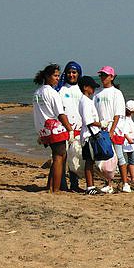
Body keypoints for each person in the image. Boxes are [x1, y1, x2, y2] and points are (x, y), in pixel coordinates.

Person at [33, 64, 74, 194]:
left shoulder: (37, 93)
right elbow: (60, 114)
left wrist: (39, 133)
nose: (57, 78)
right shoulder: (52, 93)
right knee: (59, 156)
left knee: (57, 156)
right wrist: (70, 130)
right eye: (55, 76)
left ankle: (50, 186)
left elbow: (37, 114)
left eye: (58, 76)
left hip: (44, 129)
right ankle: (55, 189)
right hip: (54, 129)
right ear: (47, 76)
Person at [94, 66, 130, 193]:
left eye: (105, 75)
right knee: (106, 156)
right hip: (101, 129)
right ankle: (108, 184)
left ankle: (125, 182)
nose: (103, 78)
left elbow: (118, 114)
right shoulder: (97, 93)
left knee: (119, 156)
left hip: (115, 129)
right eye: (101, 75)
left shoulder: (116, 93)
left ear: (112, 77)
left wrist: (112, 130)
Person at [57, 61, 83, 192]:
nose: (71, 75)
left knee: (75, 158)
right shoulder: (61, 89)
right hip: (64, 128)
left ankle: (75, 184)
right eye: (69, 72)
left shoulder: (82, 89)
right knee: (62, 157)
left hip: (79, 129)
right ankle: (61, 184)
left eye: (74, 72)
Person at [77, 75, 102, 195]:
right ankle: (90, 186)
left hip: (88, 134)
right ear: (85, 87)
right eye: (91, 87)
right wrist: (101, 124)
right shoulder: (85, 101)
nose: (93, 90)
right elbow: (88, 121)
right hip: (88, 136)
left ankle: (91, 185)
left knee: (90, 161)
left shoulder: (86, 100)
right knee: (89, 161)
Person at [122, 100, 134, 186]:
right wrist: (129, 139)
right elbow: (124, 131)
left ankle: (125, 175)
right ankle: (133, 177)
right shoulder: (125, 120)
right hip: (129, 143)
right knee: (131, 160)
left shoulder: (128, 118)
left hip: (131, 143)